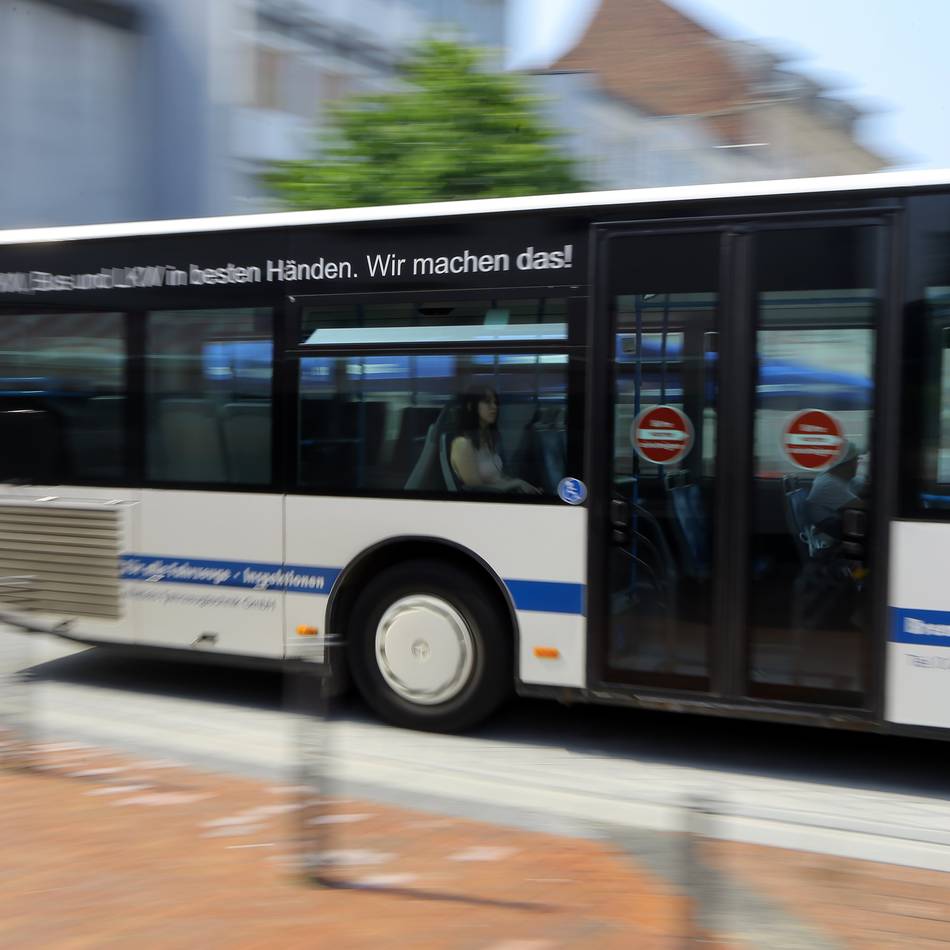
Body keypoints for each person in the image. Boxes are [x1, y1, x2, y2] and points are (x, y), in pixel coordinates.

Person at [449, 386, 540, 494]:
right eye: (488, 402)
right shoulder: (462, 444)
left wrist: (525, 487)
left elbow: (498, 477)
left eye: (495, 402)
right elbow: (477, 490)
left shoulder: (488, 438)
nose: (494, 407)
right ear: (471, 406)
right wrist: (516, 483)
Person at [805, 441, 864, 549]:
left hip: (842, 529)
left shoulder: (843, 478)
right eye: (856, 460)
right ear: (846, 463)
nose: (857, 464)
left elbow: (862, 484)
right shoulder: (828, 484)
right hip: (830, 538)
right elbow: (861, 507)